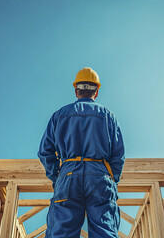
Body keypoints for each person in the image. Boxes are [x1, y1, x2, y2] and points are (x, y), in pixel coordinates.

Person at [38, 67, 125, 238]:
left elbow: (45, 152)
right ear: (96, 92)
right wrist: (110, 178)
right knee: (104, 232)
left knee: (60, 233)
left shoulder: (59, 115)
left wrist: (58, 176)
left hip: (68, 175)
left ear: (76, 91)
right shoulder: (108, 116)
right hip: (100, 176)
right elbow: (118, 156)